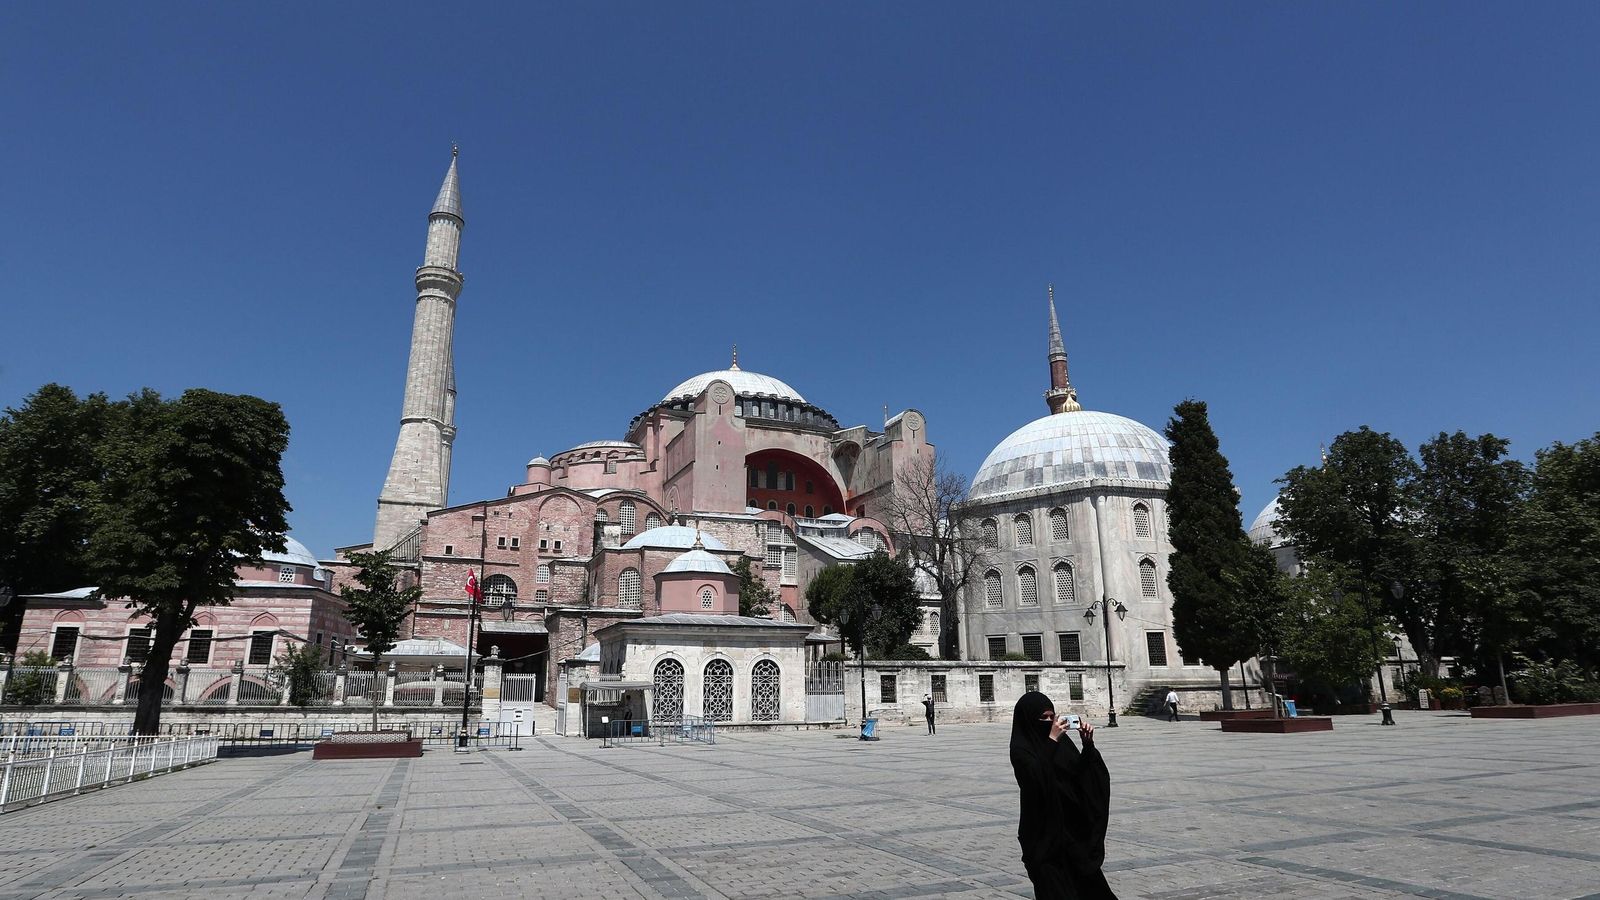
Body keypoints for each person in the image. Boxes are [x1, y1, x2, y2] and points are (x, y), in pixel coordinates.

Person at [1009, 691, 1118, 899]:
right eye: (1043, 718)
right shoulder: (1021, 749)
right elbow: (1035, 782)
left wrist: (1088, 746)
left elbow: (1081, 776)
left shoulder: (1062, 742)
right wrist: (1051, 741)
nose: (1050, 722)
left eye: (1052, 716)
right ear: (1029, 719)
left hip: (1072, 836)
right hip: (1044, 838)